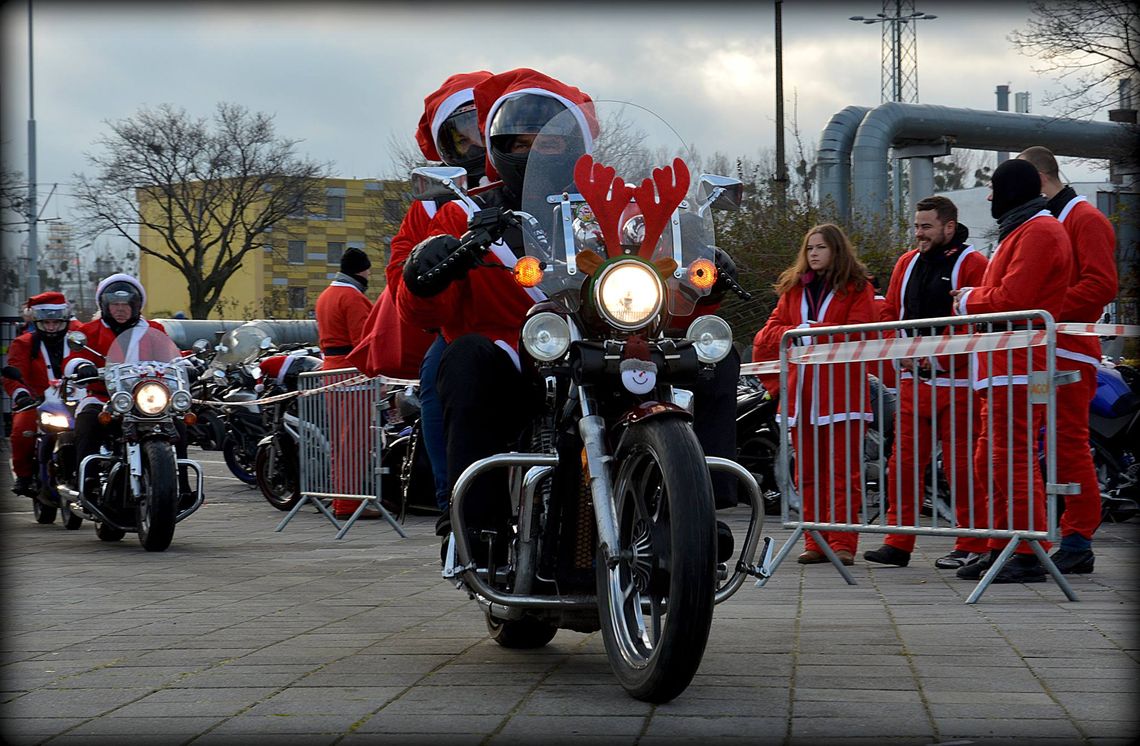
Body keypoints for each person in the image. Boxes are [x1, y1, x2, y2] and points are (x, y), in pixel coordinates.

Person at [398, 68, 741, 562]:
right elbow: (424, 312)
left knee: (714, 353)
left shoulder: (619, 208)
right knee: (466, 355)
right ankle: (479, 524)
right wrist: (425, 269)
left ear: (578, 141)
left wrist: (701, 273)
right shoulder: (461, 213)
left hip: (607, 347)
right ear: (496, 146)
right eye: (519, 140)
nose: (535, 148)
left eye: (551, 137)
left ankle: (701, 508)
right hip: (517, 361)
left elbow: (661, 282)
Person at [349, 70, 494, 514]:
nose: (474, 145)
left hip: (549, 314)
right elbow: (401, 269)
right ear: (443, 146)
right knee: (439, 371)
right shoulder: (432, 200)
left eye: (482, 130)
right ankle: (456, 504)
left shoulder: (546, 180)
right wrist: (422, 270)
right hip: (469, 320)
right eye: (461, 135)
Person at [951, 158, 1074, 583]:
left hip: (1021, 366)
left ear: (1012, 191)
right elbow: (1006, 295)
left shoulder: (1040, 230)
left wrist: (968, 300)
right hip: (1005, 365)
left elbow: (1013, 299)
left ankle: (1027, 548)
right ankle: (1002, 543)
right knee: (993, 457)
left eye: (994, 188)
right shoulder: (1025, 228)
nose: (989, 197)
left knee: (1011, 457)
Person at [863, 196, 991, 569]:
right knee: (901, 465)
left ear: (948, 228)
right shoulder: (906, 262)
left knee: (962, 468)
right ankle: (897, 542)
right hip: (911, 383)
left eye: (926, 227)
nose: (918, 233)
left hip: (958, 385)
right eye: (916, 226)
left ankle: (974, 541)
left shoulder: (974, 263)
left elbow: (984, 318)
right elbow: (889, 313)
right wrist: (895, 348)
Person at [1018, 146, 1118, 575]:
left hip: (1070, 352)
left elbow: (1100, 286)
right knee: (1041, 441)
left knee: (1067, 442)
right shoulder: (1047, 220)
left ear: (1039, 179)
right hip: (1045, 348)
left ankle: (1077, 537)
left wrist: (1043, 305)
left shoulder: (1084, 219)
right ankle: (1054, 535)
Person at [752, 224, 875, 566]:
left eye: (820, 247)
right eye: (809, 248)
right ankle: (814, 539)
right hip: (803, 398)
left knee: (843, 471)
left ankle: (843, 542)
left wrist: (807, 333)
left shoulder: (857, 288)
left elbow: (860, 333)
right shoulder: (793, 290)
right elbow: (768, 332)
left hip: (842, 397)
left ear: (836, 250)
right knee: (805, 472)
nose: (814, 254)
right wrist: (801, 332)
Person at [64, 274, 192, 504]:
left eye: (126, 305)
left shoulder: (153, 329)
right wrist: (81, 366)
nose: (120, 310)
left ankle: (182, 483)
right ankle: (88, 482)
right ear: (105, 305)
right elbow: (73, 358)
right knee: (87, 421)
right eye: (115, 304)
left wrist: (187, 364)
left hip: (147, 399)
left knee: (179, 425)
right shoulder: (89, 331)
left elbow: (171, 355)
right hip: (104, 396)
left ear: (136, 306)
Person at [314, 246, 376, 519]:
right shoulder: (353, 298)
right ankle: (349, 504)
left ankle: (342, 498)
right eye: (367, 270)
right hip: (353, 375)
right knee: (356, 440)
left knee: (340, 441)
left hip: (330, 371)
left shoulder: (326, 296)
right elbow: (364, 342)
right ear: (360, 270)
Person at [3, 291, 80, 496]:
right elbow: (12, 373)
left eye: (56, 322)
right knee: (21, 430)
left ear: (64, 320)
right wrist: (21, 394)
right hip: (38, 401)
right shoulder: (24, 343)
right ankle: (24, 477)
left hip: (77, 398)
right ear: (38, 321)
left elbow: (99, 355)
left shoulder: (80, 336)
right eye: (46, 322)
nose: (52, 327)